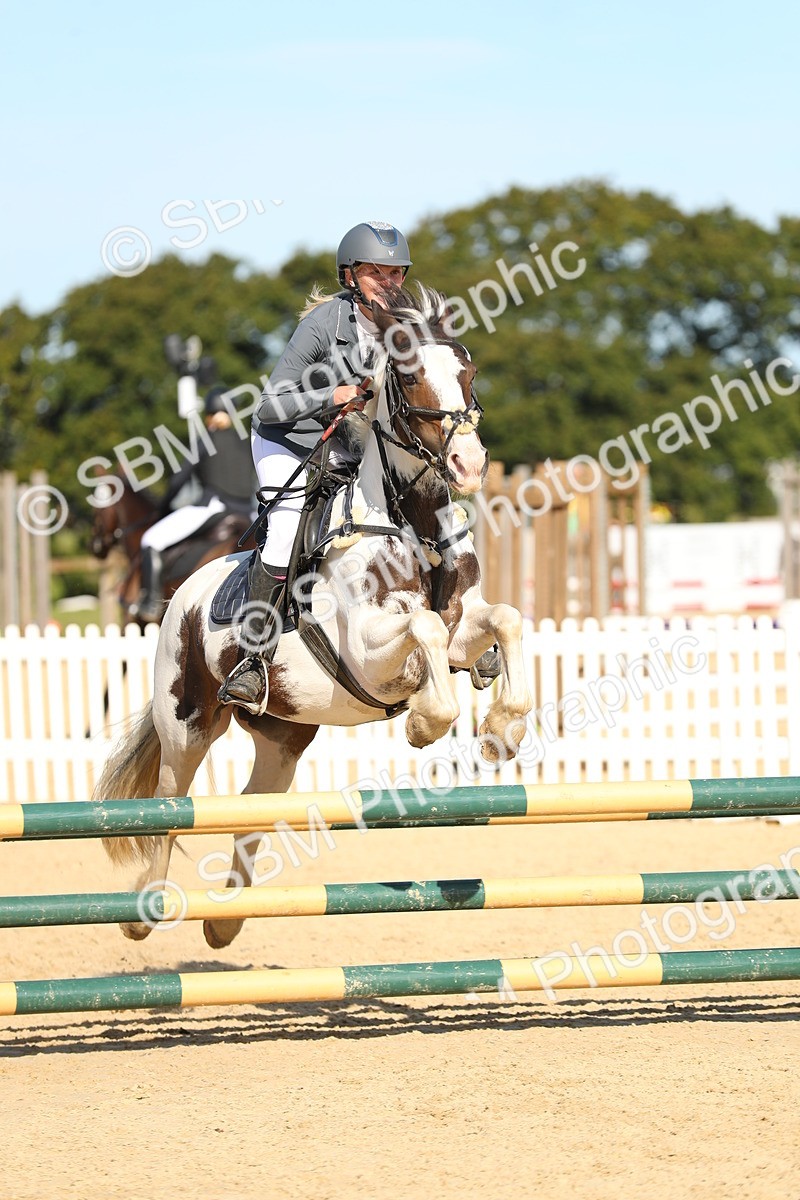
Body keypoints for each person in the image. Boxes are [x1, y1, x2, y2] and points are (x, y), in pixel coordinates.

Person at [217, 220, 412, 710]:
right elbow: (267, 407)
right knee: (285, 528)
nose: (389, 284)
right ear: (351, 276)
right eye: (376, 273)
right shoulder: (324, 324)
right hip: (291, 441)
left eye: (396, 274)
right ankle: (252, 661)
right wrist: (333, 394)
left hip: (354, 445)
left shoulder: (407, 327)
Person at [135, 385, 258, 622]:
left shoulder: (206, 440)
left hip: (214, 508)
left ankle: (150, 603)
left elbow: (179, 479)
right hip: (249, 513)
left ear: (209, 415)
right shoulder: (246, 441)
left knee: (150, 540)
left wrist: (163, 508)